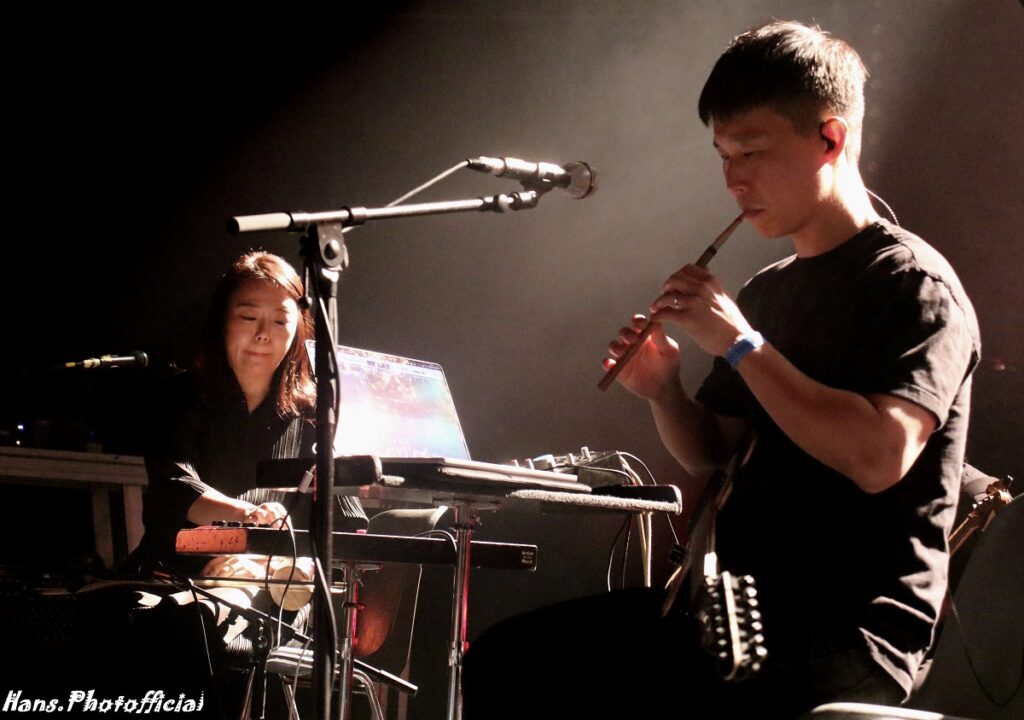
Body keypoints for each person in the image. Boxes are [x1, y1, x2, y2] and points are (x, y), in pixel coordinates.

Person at [462, 20, 979, 720]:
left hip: (843, 632)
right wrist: (665, 391)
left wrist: (739, 343)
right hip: (736, 613)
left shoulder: (911, 285)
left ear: (830, 138)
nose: (734, 179)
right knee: (505, 659)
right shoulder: (771, 288)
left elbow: (879, 457)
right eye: (724, 156)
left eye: (752, 152)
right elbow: (712, 451)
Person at [133, 250, 367, 576]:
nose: (263, 334)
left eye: (280, 321)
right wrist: (250, 517)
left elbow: (346, 520)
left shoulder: (318, 412)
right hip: (175, 574)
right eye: (248, 317)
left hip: (276, 580)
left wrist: (286, 563)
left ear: (298, 330)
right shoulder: (175, 397)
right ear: (222, 321)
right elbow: (176, 486)